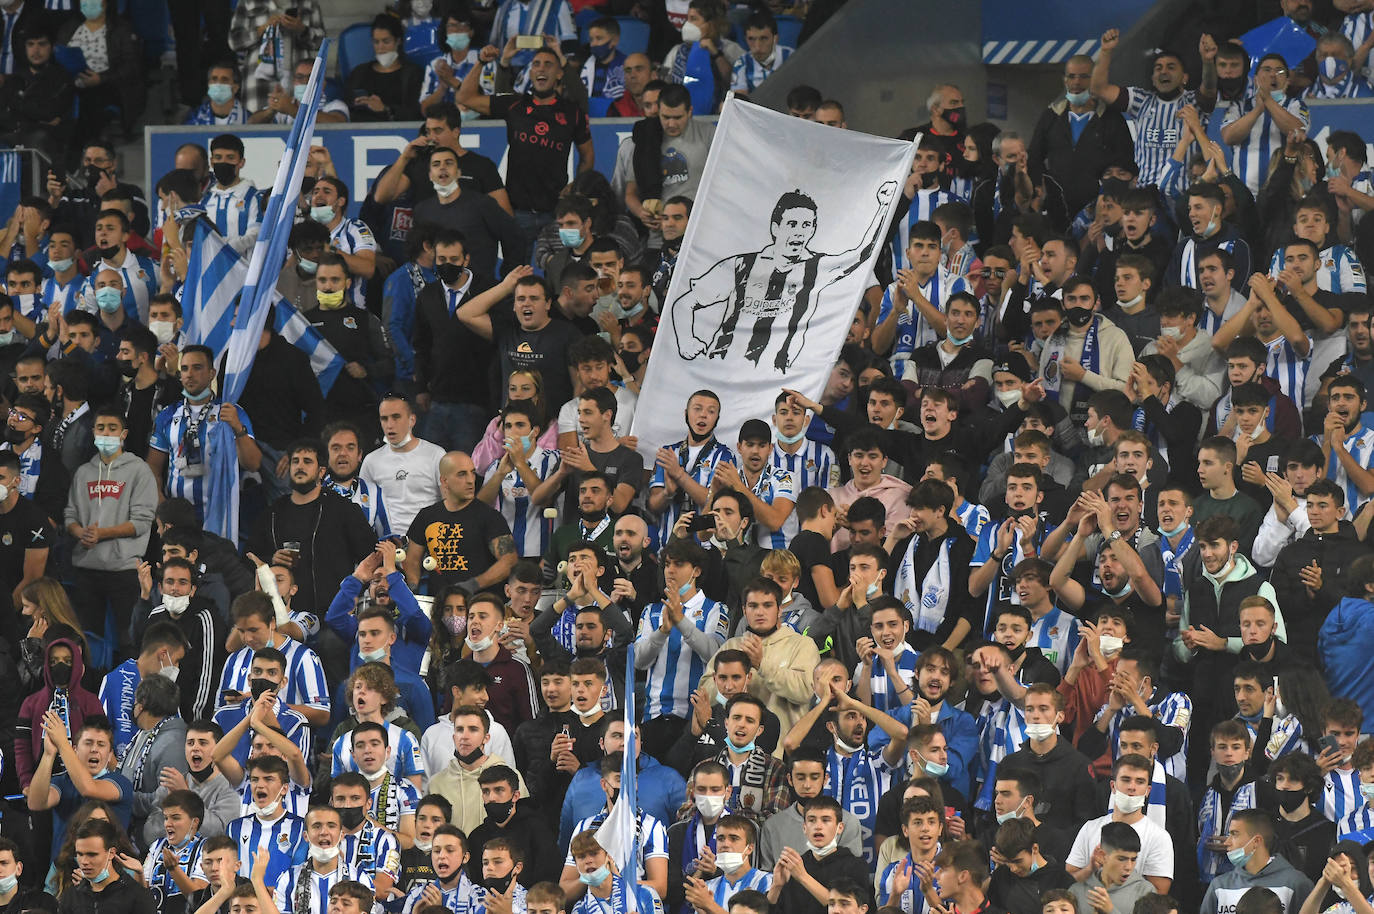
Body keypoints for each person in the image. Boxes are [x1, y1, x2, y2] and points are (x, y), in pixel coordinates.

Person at [458, 46, 593, 257]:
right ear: (530, 73)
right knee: (515, 274)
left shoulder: (572, 112)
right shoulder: (514, 104)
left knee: (559, 274)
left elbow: (588, 156)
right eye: (536, 64)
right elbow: (465, 97)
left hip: (555, 212)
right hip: (517, 211)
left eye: (548, 64)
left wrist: (575, 186)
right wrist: (481, 63)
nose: (541, 69)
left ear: (559, 73)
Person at [1028, 54, 1135, 217]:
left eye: (1084, 76)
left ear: (1095, 80)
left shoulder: (1112, 119)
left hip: (1098, 211)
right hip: (1056, 209)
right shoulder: (1050, 117)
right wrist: (1044, 187)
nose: (1077, 82)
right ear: (1065, 80)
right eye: (1072, 76)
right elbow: (1034, 157)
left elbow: (1125, 163)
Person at [1200, 810, 1314, 914]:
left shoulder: (1296, 883)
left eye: (1234, 834)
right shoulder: (1219, 886)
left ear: (1256, 841)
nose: (1227, 842)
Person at [360, 395, 444, 535]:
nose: (389, 425)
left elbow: (449, 503)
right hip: (387, 545)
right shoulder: (371, 461)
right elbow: (364, 508)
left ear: (412, 420)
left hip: (429, 542)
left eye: (396, 417)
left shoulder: (436, 455)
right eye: (384, 419)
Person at [59, 817, 155, 914]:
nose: (84, 861)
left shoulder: (137, 897)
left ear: (111, 853)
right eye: (80, 854)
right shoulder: (70, 897)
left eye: (92, 854)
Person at [344, 14, 422, 122]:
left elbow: (416, 113)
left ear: (398, 41)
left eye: (386, 41)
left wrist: (385, 109)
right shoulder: (359, 73)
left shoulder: (412, 74)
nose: (381, 47)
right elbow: (348, 108)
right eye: (376, 42)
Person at [1067, 821, 1154, 914]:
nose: (1128, 867)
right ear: (1102, 856)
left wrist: (1111, 911)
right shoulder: (1076, 891)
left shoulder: (1146, 892)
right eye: (1121, 859)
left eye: (1133, 860)